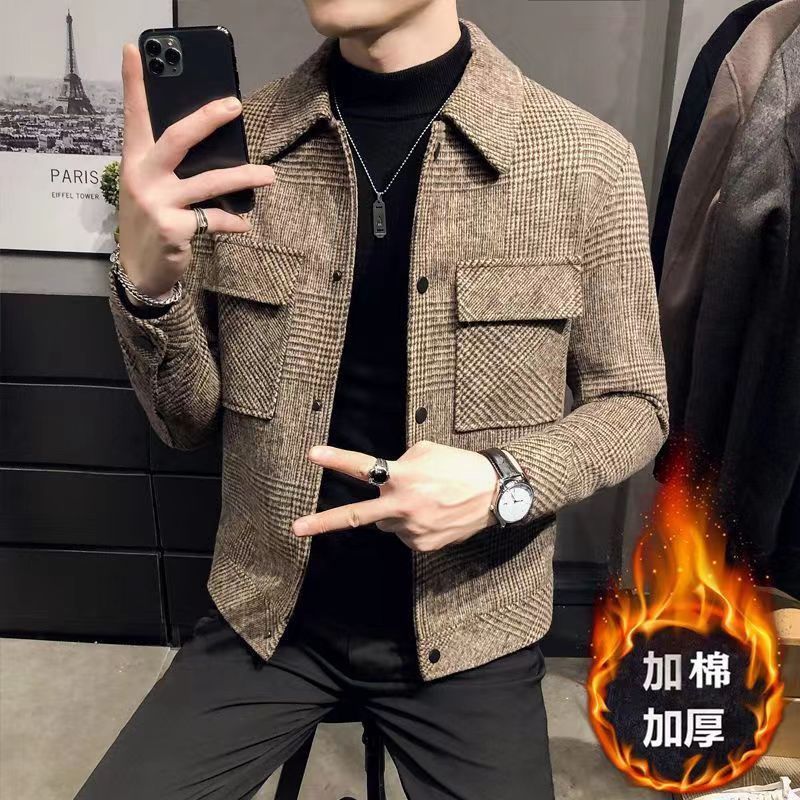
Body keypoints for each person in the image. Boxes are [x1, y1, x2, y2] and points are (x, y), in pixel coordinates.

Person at [76, 2, 668, 798]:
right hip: (267, 615)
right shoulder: (236, 149)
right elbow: (186, 423)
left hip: (472, 629)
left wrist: (505, 480)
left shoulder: (584, 161)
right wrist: (149, 289)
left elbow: (635, 401)